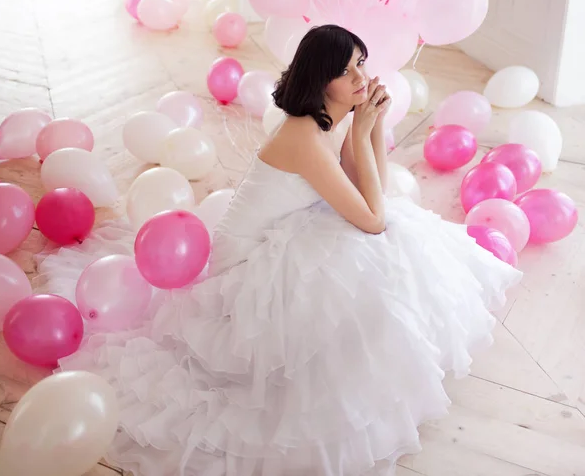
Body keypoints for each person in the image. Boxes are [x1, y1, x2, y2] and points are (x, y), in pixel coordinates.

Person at [38, 24, 522, 476]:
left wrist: (370, 126)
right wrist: (363, 126)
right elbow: (372, 217)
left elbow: (369, 190)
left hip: (289, 228)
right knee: (378, 247)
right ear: (321, 79)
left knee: (400, 235)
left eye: (362, 64)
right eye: (347, 69)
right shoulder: (302, 135)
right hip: (246, 263)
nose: (360, 77)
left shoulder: (328, 117)